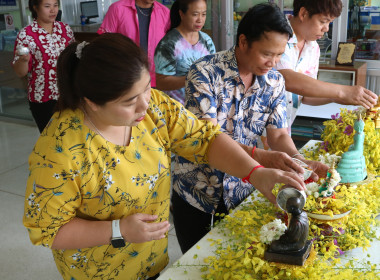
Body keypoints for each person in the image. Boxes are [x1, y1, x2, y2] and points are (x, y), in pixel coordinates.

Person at [23, 33, 306, 280]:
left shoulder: (154, 108)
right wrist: (118, 230)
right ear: (91, 103)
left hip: (150, 259)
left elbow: (205, 139)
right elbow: (49, 230)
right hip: (99, 270)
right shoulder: (60, 150)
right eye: (130, 100)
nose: (145, 104)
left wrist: (255, 173)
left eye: (146, 89)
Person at [172, 3, 329, 254]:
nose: (273, 63)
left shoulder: (274, 81)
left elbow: (278, 135)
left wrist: (299, 160)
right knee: (196, 264)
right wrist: (261, 158)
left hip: (243, 190)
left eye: (279, 55)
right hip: (198, 192)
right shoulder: (205, 73)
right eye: (267, 54)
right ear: (244, 42)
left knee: (238, 259)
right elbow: (209, 140)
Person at [275, 0, 378, 133]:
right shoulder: (277, 35)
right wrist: (342, 91)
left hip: (282, 132)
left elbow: (305, 95)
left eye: (329, 23)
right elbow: (285, 79)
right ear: (304, 13)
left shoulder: (313, 48)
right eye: (323, 21)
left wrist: (337, 97)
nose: (326, 29)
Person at [12, 0, 74, 132]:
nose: (53, 10)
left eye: (55, 5)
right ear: (35, 8)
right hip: (42, 97)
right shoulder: (26, 34)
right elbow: (20, 73)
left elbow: (73, 58)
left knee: (71, 138)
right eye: (47, 6)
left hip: (67, 93)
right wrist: (23, 61)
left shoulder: (65, 29)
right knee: (51, 140)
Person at [154, 0, 215, 104]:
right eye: (195, 14)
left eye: (203, 14)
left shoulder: (207, 40)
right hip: (176, 109)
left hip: (203, 106)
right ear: (182, 14)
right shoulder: (169, 43)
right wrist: (191, 77)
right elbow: (161, 82)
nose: (200, 20)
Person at [98, 0, 170, 88]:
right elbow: (104, 45)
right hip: (124, 78)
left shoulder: (165, 13)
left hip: (154, 81)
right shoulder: (117, 9)